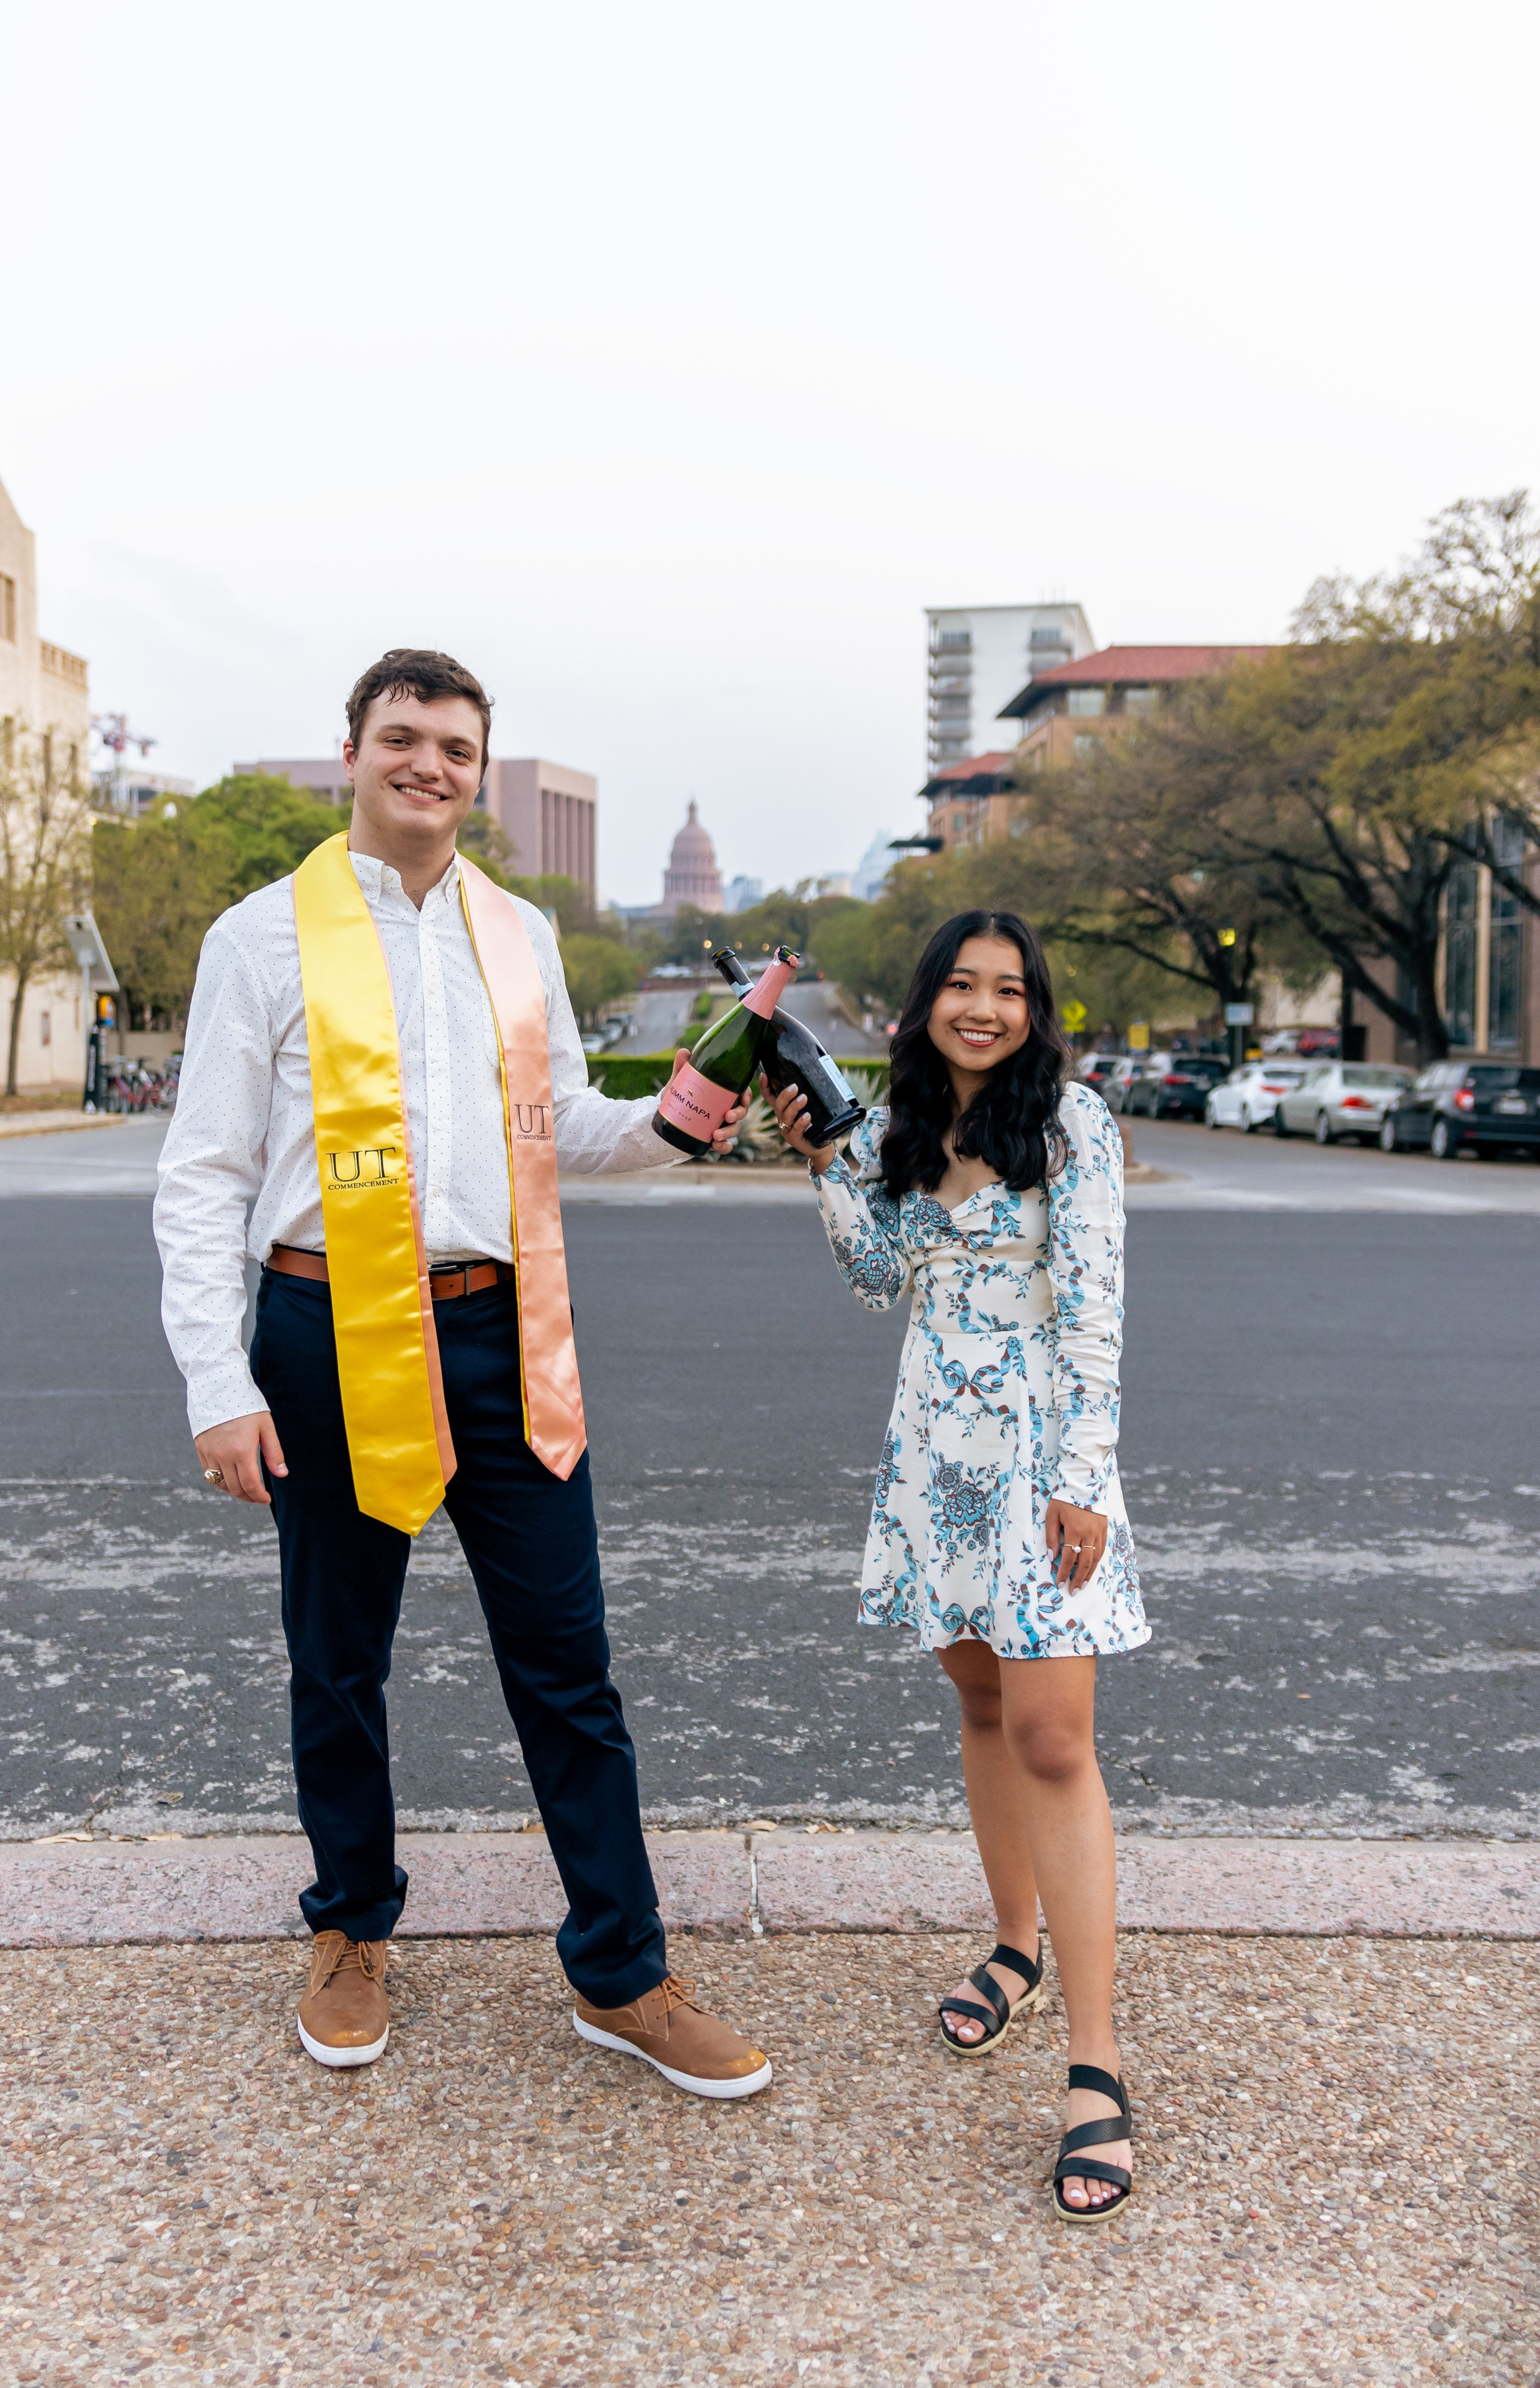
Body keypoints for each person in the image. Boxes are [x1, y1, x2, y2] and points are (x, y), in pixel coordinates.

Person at [155, 647, 770, 2101]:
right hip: (324, 1332)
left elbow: (558, 1125)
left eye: (456, 748)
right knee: (339, 1659)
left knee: (569, 1666)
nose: (429, 765)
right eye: (403, 738)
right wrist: (214, 1381)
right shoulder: (261, 937)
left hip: (501, 1333)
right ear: (354, 751)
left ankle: (619, 1968)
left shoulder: (519, 935)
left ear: (481, 776)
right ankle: (352, 1928)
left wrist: (693, 1104)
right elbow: (202, 1178)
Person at [767, 910, 1148, 2221]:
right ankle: (1010, 1946)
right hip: (933, 1453)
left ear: (1035, 1008)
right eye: (959, 987)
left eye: (1007, 990)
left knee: (1052, 1735)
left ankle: (1092, 2067)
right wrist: (823, 1161)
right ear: (923, 1000)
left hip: (1042, 1458)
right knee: (980, 1704)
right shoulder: (895, 1127)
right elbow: (880, 1280)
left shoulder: (1072, 1123)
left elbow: (1094, 1303)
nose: (981, 1008)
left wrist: (1082, 1477)